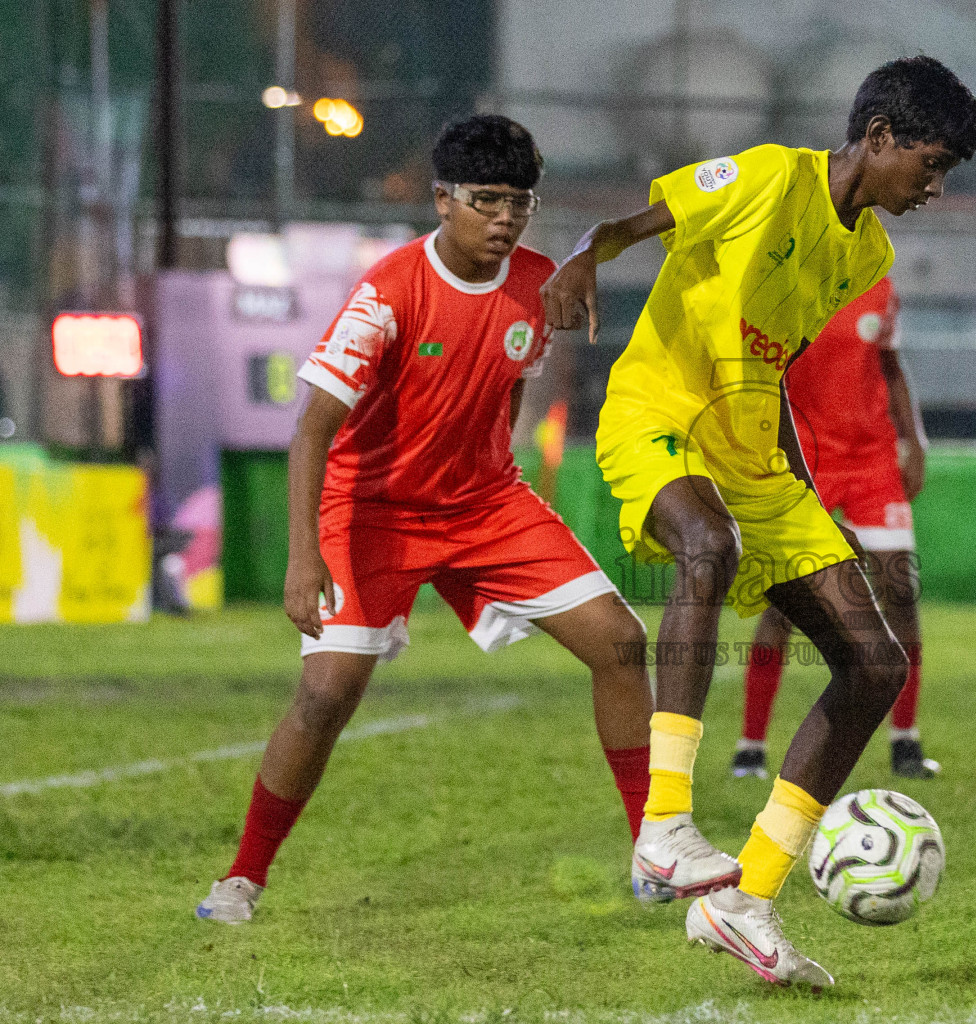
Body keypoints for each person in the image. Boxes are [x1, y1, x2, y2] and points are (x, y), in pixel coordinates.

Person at [541, 56, 976, 986]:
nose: (935, 190)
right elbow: (629, 224)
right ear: (878, 138)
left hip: (755, 459)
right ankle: (664, 827)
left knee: (875, 661)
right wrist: (582, 256)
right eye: (931, 166)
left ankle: (744, 901)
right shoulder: (767, 176)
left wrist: (799, 484)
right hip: (659, 416)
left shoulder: (866, 251)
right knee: (705, 546)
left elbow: (770, 358)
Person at [196, 115, 655, 924]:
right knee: (327, 693)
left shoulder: (540, 283)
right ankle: (241, 878)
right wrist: (306, 560)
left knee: (622, 644)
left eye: (520, 202)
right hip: (370, 509)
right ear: (442, 200)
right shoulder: (388, 291)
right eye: (487, 200)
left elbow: (508, 387)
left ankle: (653, 858)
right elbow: (311, 431)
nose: (505, 218)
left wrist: (491, 471)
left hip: (484, 505)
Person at [732, 275, 940, 782]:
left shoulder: (881, 284)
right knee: (785, 604)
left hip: (873, 461)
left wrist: (915, 440)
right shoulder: (788, 281)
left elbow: (890, 365)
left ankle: (905, 742)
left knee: (900, 593)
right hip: (804, 459)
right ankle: (751, 746)